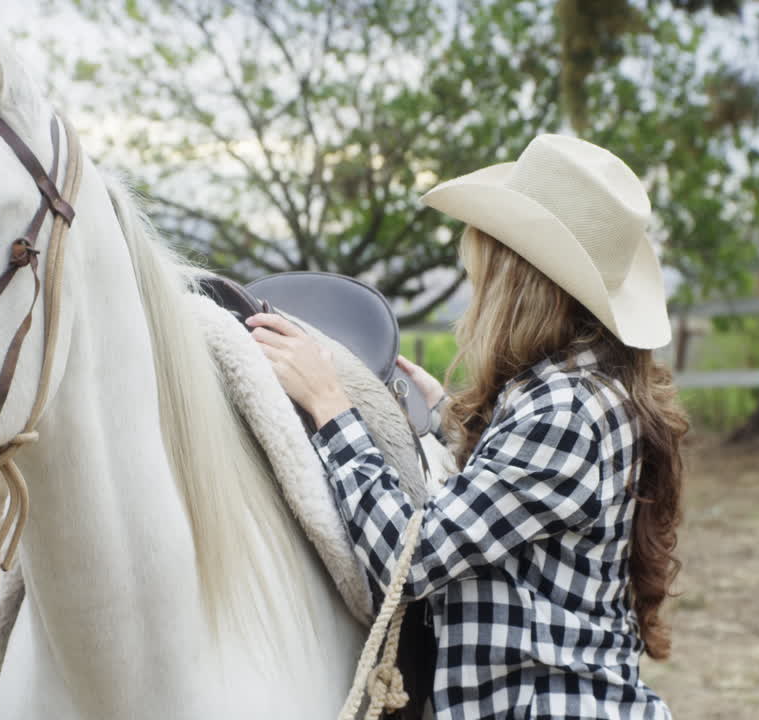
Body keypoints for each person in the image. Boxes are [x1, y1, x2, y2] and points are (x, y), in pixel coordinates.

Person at [247, 134, 685, 719]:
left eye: (481, 272)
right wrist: (454, 419)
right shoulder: (578, 392)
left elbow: (412, 557)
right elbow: (514, 520)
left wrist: (331, 408)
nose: (475, 292)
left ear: (514, 280)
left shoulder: (563, 414)